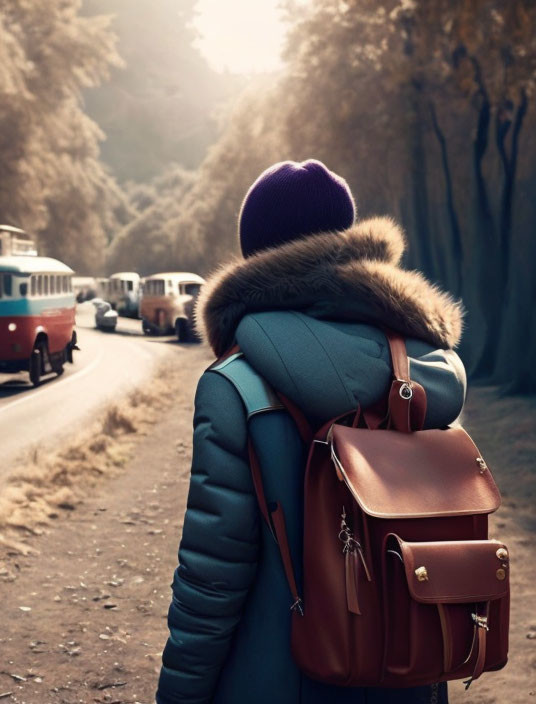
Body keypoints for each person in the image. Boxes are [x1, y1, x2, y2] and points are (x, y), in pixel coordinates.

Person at [156, 160, 465, 704]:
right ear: (346, 244)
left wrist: (179, 695)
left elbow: (212, 576)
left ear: (255, 256)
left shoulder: (237, 384)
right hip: (411, 673)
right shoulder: (421, 369)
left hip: (280, 681)